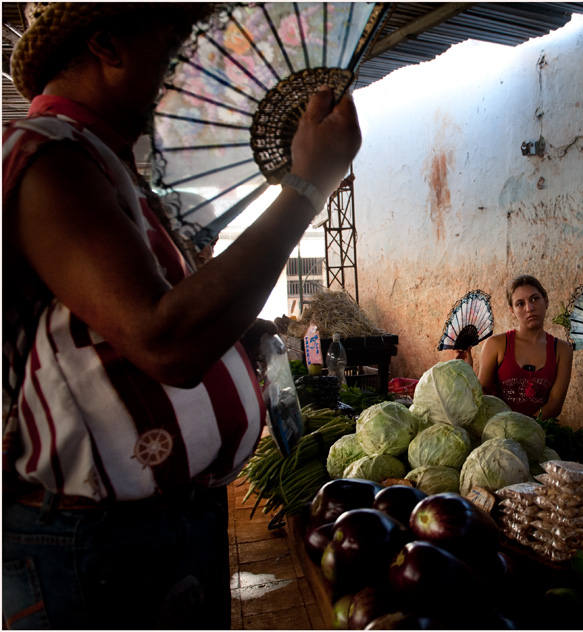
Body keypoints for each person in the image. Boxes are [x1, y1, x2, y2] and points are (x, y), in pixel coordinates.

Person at [2, 3, 362, 629]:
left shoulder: (112, 166)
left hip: (158, 530)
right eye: (176, 39)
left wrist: (236, 331)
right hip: (96, 547)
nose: (194, 61)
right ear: (108, 44)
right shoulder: (47, 157)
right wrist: (307, 187)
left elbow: (122, 329)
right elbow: (164, 342)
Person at [467, 275, 573, 419]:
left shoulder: (562, 349)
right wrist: (466, 370)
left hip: (541, 433)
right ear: (512, 310)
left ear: (546, 300)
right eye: (520, 304)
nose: (529, 308)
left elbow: (555, 403)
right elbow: (483, 392)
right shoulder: (496, 344)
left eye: (535, 299)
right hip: (498, 431)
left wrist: (527, 428)